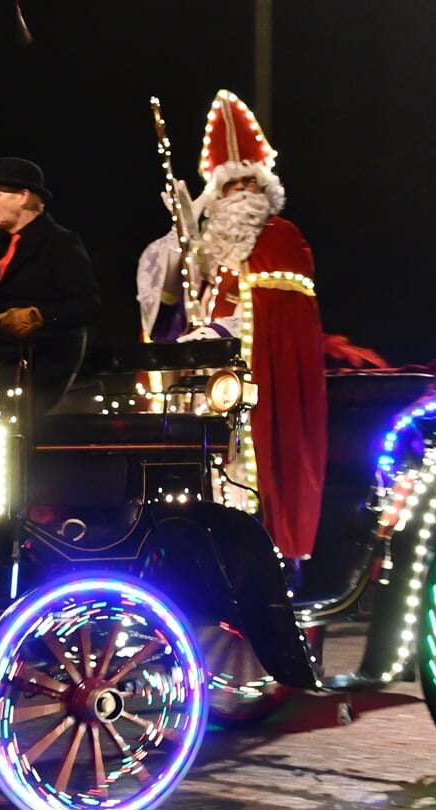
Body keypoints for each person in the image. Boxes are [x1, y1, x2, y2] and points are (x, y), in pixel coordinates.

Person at [135, 91, 327, 563]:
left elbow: (267, 314)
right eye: (230, 188)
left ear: (266, 192)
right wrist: (181, 234)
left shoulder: (283, 238)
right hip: (213, 389)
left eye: (249, 186)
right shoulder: (214, 249)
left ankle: (257, 559)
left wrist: (220, 334)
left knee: (243, 479)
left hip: (257, 385)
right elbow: (169, 303)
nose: (241, 195)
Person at [0, 156, 101, 413]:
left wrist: (40, 317)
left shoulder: (60, 242)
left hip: (41, 367)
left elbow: (88, 307)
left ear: (23, 196)